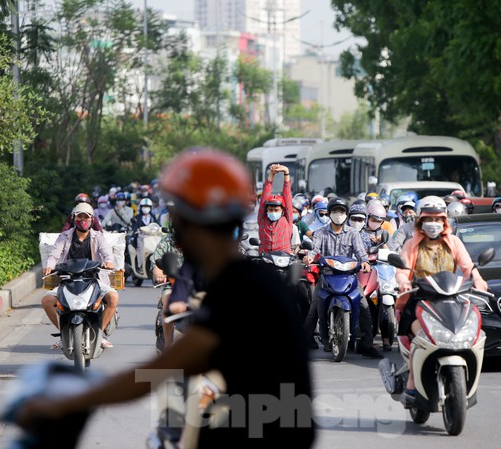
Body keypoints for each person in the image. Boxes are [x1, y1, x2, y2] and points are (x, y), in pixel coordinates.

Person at [18, 149, 315, 449]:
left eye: (180, 219)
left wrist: (76, 401)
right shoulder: (247, 280)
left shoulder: (240, 289)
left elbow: (164, 368)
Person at [394, 196, 488, 406]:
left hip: (452, 298)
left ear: (445, 220)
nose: (434, 223)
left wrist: (479, 279)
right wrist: (404, 282)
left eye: (438, 219)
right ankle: (411, 382)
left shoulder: (454, 242)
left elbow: (467, 266)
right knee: (420, 337)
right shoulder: (411, 244)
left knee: (471, 331)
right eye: (429, 218)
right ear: (420, 220)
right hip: (420, 299)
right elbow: (402, 269)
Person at [302, 197, 382, 359]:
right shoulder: (321, 233)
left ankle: (367, 344)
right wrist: (309, 257)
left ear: (346, 215)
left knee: (364, 307)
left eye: (341, 212)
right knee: (313, 310)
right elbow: (314, 249)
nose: (338, 214)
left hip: (348, 276)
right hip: (327, 276)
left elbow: (360, 252)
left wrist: (365, 262)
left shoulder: (352, 233)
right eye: (335, 211)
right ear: (329, 213)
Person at [41, 203, 119, 349]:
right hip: (67, 280)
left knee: (113, 298)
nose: (83, 220)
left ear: (91, 220)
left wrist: (109, 262)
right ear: (73, 218)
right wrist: (49, 266)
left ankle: (99, 334)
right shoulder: (64, 237)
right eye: (79, 216)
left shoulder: (98, 237)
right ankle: (64, 334)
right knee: (46, 301)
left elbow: (107, 254)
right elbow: (54, 254)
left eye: (86, 217)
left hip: (94, 279)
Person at [257, 164, 293, 254]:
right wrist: (271, 174)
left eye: (276, 210)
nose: (273, 212)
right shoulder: (262, 220)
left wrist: (286, 172)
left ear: (282, 211)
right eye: (270, 210)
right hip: (265, 259)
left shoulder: (286, 220)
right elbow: (265, 195)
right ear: (266, 210)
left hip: (284, 260)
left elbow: (287, 195)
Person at [130, 197, 160, 270]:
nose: (145, 208)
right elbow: (134, 226)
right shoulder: (137, 217)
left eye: (147, 207)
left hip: (152, 237)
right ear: (141, 207)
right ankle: (140, 265)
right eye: (144, 207)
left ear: (150, 208)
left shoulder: (153, 217)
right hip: (141, 237)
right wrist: (136, 230)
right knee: (140, 247)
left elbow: (157, 226)